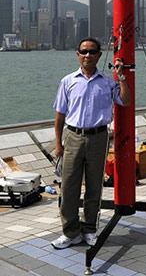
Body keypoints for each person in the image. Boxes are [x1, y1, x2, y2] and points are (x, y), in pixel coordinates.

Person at [52, 38, 131, 250]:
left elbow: (125, 100)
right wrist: (58, 144)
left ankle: (89, 230)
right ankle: (70, 232)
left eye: (92, 51)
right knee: (68, 187)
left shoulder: (107, 82)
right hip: (73, 137)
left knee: (95, 187)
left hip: (99, 137)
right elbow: (59, 116)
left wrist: (121, 75)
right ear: (77, 54)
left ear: (98, 55)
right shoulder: (67, 81)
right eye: (83, 51)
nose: (87, 55)